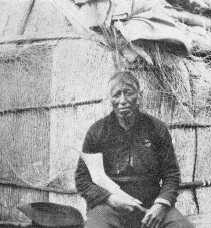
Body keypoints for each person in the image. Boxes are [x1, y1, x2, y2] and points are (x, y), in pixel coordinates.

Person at [75, 71, 195, 228]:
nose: (122, 101)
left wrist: (161, 204)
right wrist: (110, 198)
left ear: (139, 95)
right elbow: (82, 178)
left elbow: (171, 174)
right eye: (116, 95)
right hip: (110, 206)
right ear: (110, 99)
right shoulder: (98, 131)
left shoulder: (156, 128)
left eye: (128, 93)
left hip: (151, 203)